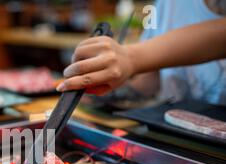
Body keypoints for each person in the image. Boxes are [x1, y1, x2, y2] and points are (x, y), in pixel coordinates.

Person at [57, 0, 226, 106]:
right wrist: (109, 89)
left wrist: (129, 57)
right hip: (178, 134)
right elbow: (151, 78)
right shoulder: (167, 4)